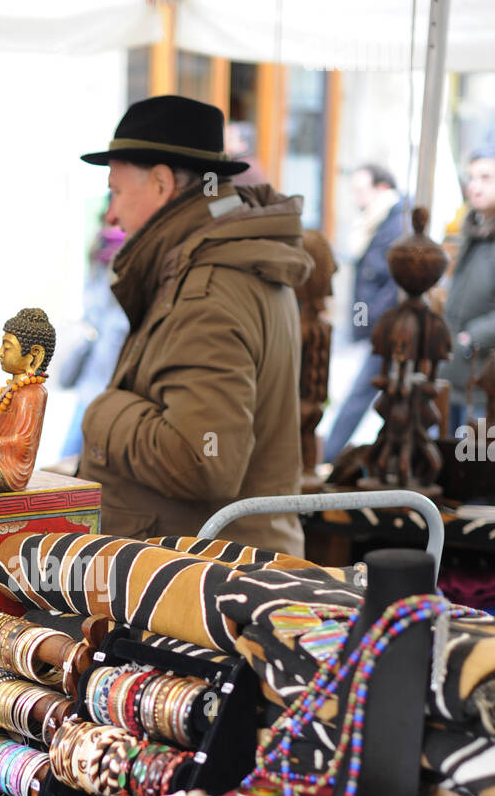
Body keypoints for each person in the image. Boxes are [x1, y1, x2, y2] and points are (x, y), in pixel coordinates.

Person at [76, 94, 312, 556]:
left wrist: (101, 414)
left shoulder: (209, 288)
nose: (111, 214)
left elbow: (203, 460)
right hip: (217, 565)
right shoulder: (221, 259)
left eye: (117, 191)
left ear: (162, 183)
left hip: (205, 581)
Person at [323, 164, 404, 463]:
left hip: (390, 330)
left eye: (361, 190)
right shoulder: (375, 221)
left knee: (363, 394)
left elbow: (393, 284)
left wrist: (373, 324)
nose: (356, 198)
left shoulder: (395, 223)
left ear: (381, 188)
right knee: (376, 396)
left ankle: (328, 458)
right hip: (380, 327)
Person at [58, 204, 128, 459]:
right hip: (98, 377)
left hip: (105, 381)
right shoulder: (104, 251)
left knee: (78, 451)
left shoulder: (105, 248)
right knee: (75, 450)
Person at [442, 145, 495, 432]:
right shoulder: (472, 230)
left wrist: (474, 336)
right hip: (455, 374)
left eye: (486, 178)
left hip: (486, 378)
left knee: (477, 461)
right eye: (472, 178)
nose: (475, 186)